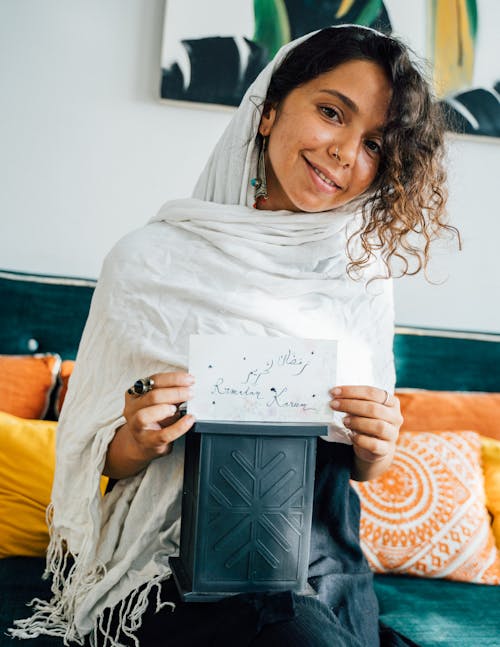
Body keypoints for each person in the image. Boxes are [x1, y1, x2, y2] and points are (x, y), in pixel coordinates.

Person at [12, 25, 455, 647]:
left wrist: (379, 443)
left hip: (325, 565)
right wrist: (138, 436)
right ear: (269, 111)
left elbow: (362, 466)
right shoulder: (150, 260)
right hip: (178, 572)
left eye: (376, 145)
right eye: (332, 113)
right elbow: (93, 455)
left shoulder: (363, 278)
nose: (345, 153)